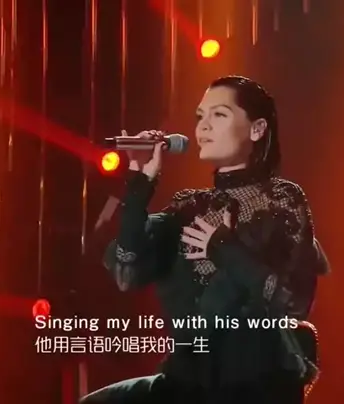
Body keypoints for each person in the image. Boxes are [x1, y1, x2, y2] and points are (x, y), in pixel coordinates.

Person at [81, 75, 328, 404]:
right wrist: (141, 181)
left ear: (257, 129)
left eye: (219, 114)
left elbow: (293, 303)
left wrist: (223, 247)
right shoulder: (189, 206)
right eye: (200, 116)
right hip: (188, 381)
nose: (204, 126)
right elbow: (127, 269)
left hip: (253, 383)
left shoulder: (281, 199)